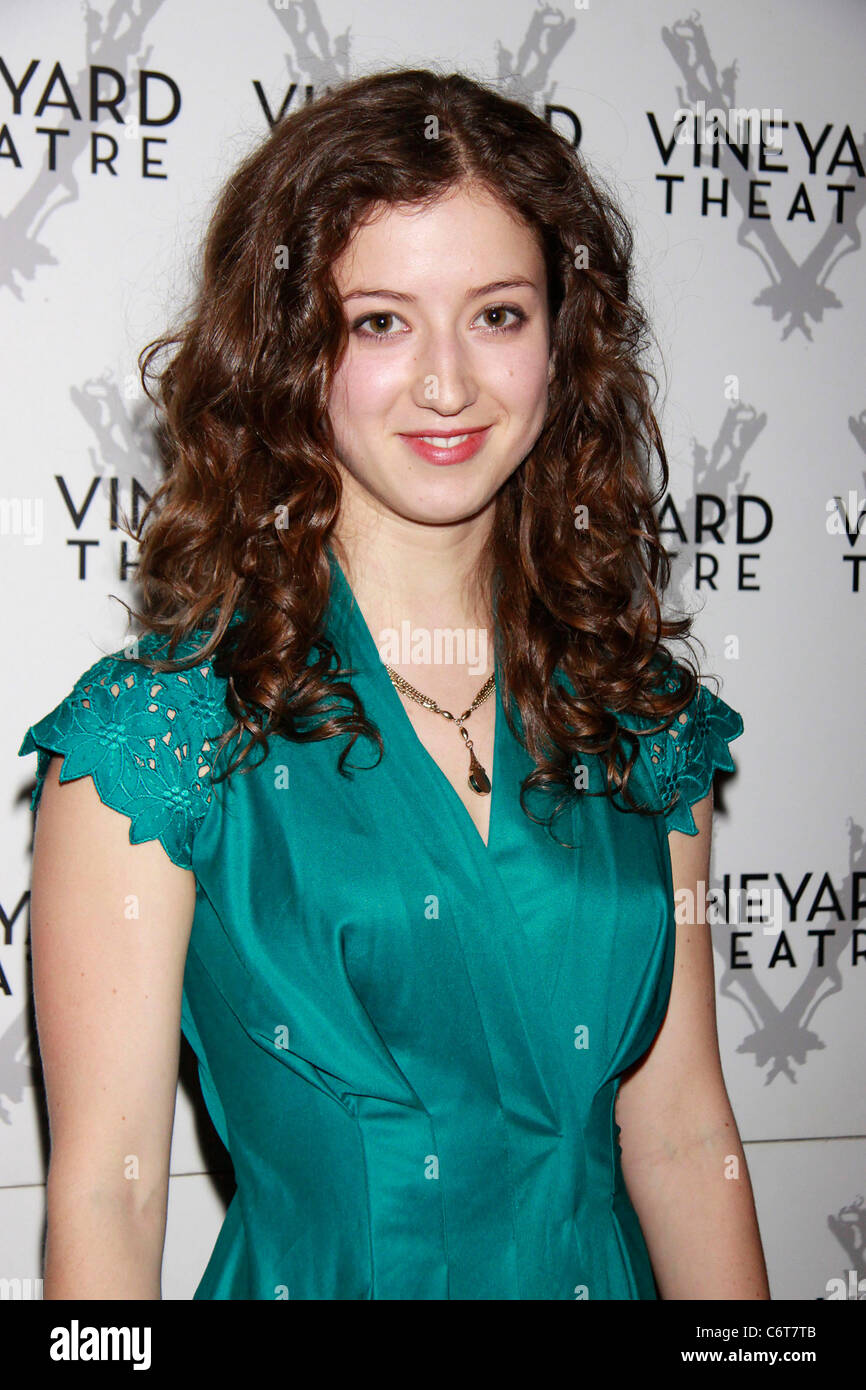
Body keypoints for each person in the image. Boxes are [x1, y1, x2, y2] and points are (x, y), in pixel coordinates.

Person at [18, 67, 769, 1300]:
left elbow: (684, 1133)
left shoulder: (639, 721)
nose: (445, 383)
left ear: (559, 339)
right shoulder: (159, 739)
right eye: (379, 320)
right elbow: (106, 1192)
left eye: (496, 314)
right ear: (289, 347)